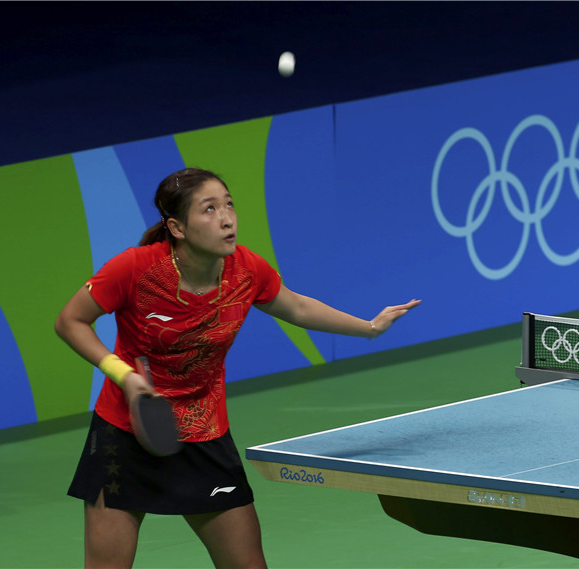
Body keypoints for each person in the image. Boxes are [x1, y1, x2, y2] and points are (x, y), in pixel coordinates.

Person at [55, 167, 421, 569]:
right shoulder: (135, 269)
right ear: (177, 227)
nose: (227, 218)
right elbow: (70, 321)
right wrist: (123, 375)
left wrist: (369, 327)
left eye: (228, 205)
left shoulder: (246, 270)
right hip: (126, 433)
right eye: (209, 209)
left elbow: (297, 307)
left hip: (204, 433)